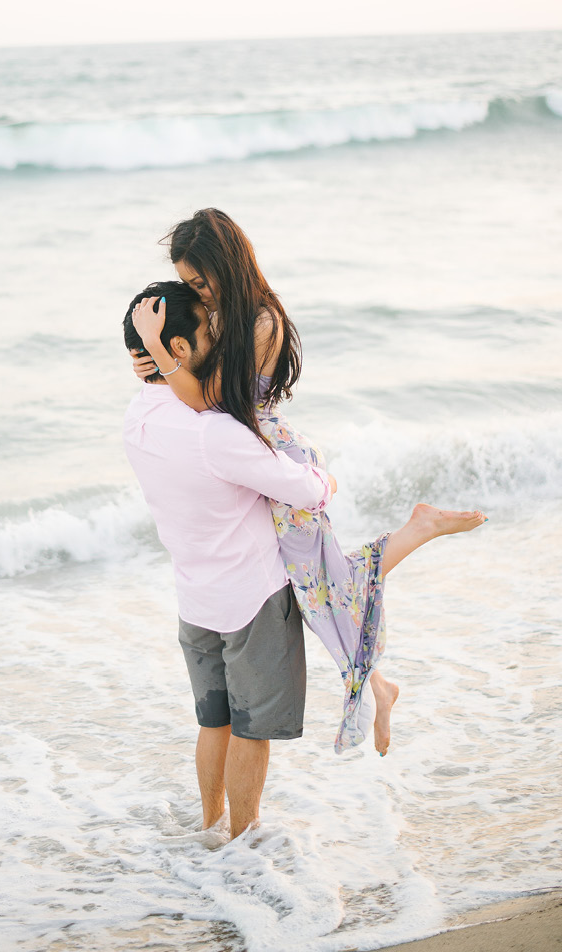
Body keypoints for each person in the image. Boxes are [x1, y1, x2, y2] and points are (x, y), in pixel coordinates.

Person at [130, 209, 487, 755]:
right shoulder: (223, 312)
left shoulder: (260, 322)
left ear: (226, 264)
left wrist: (161, 353)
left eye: (199, 282)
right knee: (315, 585)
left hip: (274, 459)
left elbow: (209, 401)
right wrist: (153, 363)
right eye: (187, 283)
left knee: (320, 582)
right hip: (251, 456)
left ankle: (418, 534)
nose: (195, 293)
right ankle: (379, 683)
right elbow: (197, 385)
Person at [123, 281, 334, 841]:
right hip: (252, 598)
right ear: (182, 350)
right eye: (209, 331)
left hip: (194, 598)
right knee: (250, 731)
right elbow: (305, 491)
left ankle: (211, 828)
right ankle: (243, 844)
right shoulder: (214, 430)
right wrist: (325, 478)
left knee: (212, 722)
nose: (220, 337)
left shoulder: (136, 418)